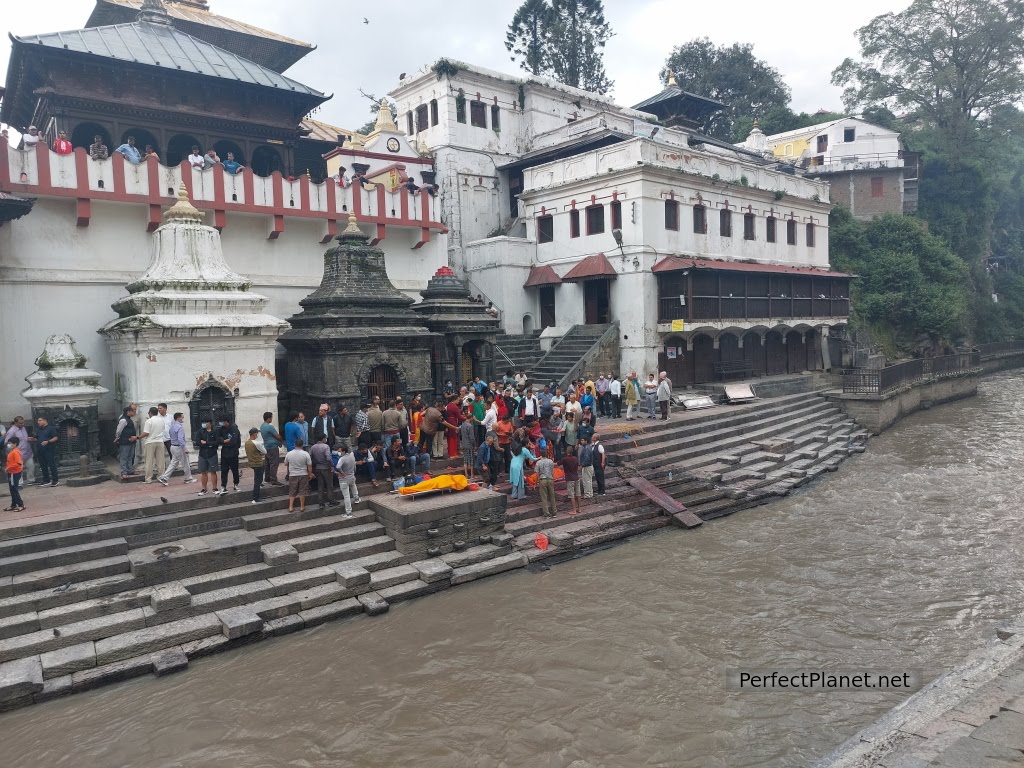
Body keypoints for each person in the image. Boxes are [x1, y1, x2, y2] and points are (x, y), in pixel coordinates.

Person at [158, 412, 195, 485]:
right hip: (179, 447)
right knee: (185, 463)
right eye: (182, 417)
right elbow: (180, 439)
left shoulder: (172, 426)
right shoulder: (179, 427)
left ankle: (164, 477)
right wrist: (184, 448)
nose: (183, 419)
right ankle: (188, 478)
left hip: (173, 446)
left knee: (174, 462)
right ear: (178, 418)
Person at [137, 407, 166, 484]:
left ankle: (148, 479)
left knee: (149, 461)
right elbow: (163, 429)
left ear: (150, 413)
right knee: (161, 460)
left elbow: (146, 433)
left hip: (150, 442)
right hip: (160, 441)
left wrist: (138, 437)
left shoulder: (149, 421)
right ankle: (161, 476)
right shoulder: (161, 420)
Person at [284, 439, 313, 513]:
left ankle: (290, 507)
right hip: (303, 474)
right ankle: (302, 506)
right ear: (302, 445)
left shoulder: (289, 454)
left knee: (292, 490)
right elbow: (309, 465)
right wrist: (310, 474)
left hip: (292, 474)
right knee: (302, 491)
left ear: (294, 445)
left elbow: (286, 464)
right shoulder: (306, 454)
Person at [309, 434, 337, 508]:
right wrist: (332, 465)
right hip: (326, 468)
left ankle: (321, 503)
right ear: (323, 439)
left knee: (320, 485)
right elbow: (328, 457)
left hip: (317, 468)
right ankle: (331, 501)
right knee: (329, 485)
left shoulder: (313, 447)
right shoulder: (326, 446)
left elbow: (310, 457)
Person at [4, 416, 34, 487]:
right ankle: (19, 484)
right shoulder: (11, 431)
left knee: (31, 466)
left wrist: (29, 439)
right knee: (19, 469)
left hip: (28, 452)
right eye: (21, 423)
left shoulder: (23, 428)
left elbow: (24, 438)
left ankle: (31, 481)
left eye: (23, 422)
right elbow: (7, 442)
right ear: (15, 423)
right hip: (18, 454)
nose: (23, 424)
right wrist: (13, 450)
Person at [333, 442, 358, 517]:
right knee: (353, 487)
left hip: (344, 479)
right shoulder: (352, 456)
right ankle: (357, 498)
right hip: (351, 476)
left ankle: (348, 512)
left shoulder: (342, 459)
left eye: (339, 451)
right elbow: (354, 466)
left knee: (346, 496)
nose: (338, 452)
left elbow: (337, 467)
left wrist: (341, 472)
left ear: (344, 451)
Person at [218, 416, 242, 493]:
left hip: (233, 453)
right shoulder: (221, 429)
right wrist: (224, 441)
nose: (221, 423)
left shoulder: (234, 429)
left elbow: (234, 441)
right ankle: (223, 486)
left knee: (235, 470)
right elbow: (219, 439)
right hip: (224, 453)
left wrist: (225, 442)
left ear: (226, 421)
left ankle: (236, 484)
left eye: (223, 421)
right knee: (224, 470)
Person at [196, 418, 219, 496]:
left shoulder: (215, 431)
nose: (204, 424)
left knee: (213, 471)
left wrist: (206, 442)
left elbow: (217, 442)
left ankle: (215, 488)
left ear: (210, 423)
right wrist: (205, 443)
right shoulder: (200, 431)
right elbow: (197, 441)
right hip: (202, 454)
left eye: (205, 422)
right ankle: (204, 488)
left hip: (212, 453)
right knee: (203, 472)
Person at [260, 412, 283, 485]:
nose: (272, 419)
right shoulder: (270, 427)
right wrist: (281, 440)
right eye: (271, 417)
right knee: (274, 463)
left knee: (267, 463)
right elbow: (278, 436)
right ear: (269, 418)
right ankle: (273, 479)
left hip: (266, 446)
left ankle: (267, 478)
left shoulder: (262, 426)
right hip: (273, 446)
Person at [244, 428, 266, 504]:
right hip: (258, 463)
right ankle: (255, 498)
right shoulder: (256, 443)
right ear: (254, 434)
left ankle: (256, 494)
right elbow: (265, 451)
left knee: (257, 479)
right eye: (257, 434)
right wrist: (260, 453)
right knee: (257, 481)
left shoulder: (246, 443)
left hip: (251, 463)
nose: (257, 435)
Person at [4, 436, 25, 512]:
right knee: (12, 489)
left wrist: (8, 468)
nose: (8, 444)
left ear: (15, 444)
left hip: (14, 472)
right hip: (12, 472)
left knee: (14, 489)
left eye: (10, 443)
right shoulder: (13, 451)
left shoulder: (15, 452)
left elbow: (18, 463)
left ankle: (21, 505)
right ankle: (13, 505)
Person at [561, 446, 581, 516]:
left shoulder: (565, 459)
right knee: (578, 494)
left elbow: (557, 464)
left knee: (571, 495)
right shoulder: (575, 458)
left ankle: (574, 510)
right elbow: (578, 466)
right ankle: (579, 508)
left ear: (567, 451)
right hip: (576, 477)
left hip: (570, 478)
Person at [535, 453, 556, 517]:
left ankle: (546, 513)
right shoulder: (551, 461)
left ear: (541, 456)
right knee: (552, 496)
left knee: (544, 497)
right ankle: (554, 512)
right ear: (547, 455)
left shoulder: (538, 462)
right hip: (550, 479)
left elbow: (537, 474)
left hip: (542, 480)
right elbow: (552, 472)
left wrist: (536, 483)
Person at [444, 394, 462, 462]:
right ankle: (453, 453)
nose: (458, 401)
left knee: (449, 437)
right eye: (457, 400)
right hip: (453, 422)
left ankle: (450, 452)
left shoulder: (448, 405)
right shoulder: (455, 407)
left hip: (449, 421)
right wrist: (466, 418)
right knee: (453, 437)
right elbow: (459, 416)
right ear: (454, 400)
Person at [459, 409, 477, 478]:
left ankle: (466, 474)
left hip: (464, 444)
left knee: (465, 460)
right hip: (469, 445)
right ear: (471, 418)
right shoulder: (470, 426)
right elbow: (472, 437)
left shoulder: (462, 425)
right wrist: (474, 445)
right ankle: (472, 474)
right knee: (471, 460)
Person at [578, 435, 595, 499]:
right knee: (589, 481)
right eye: (581, 440)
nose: (581, 441)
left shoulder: (587, 448)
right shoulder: (587, 447)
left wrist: (582, 465)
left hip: (587, 466)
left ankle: (588, 494)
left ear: (586, 441)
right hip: (588, 466)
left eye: (582, 440)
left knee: (587, 481)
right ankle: (590, 493)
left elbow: (587, 458)